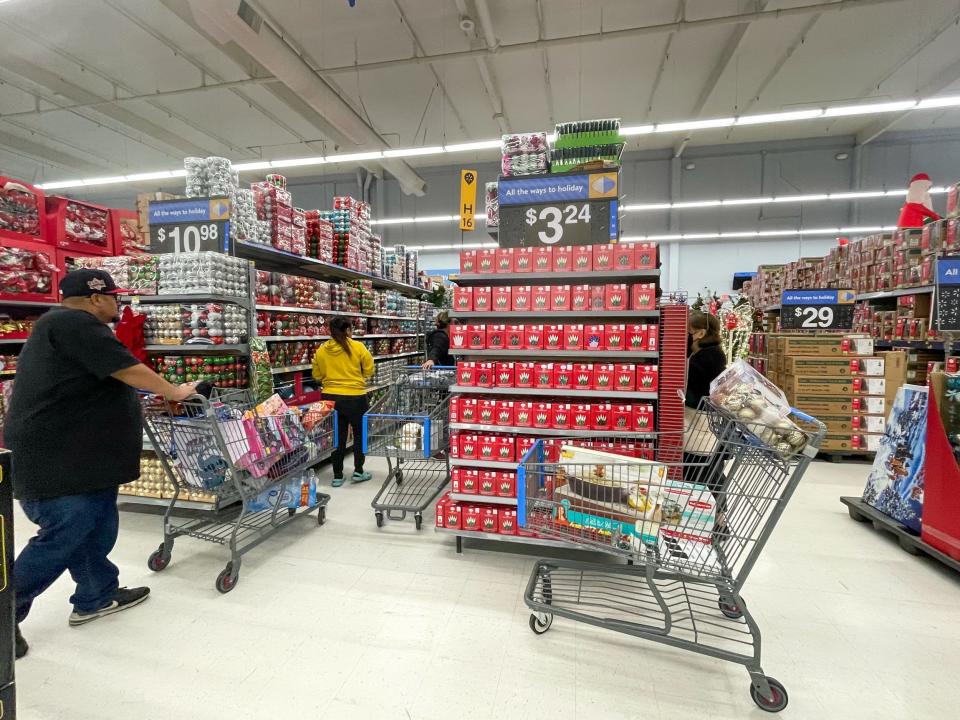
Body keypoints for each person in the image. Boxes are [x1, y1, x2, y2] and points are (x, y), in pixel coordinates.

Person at [7, 269, 196, 660]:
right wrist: (173, 389)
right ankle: (4, 614)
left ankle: (96, 596)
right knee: (65, 531)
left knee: (95, 526)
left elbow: (91, 387)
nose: (117, 303)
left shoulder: (64, 327)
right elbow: (128, 370)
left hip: (82, 458)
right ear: (95, 299)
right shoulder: (72, 322)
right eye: (113, 297)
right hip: (59, 461)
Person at [312, 316, 375, 487]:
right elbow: (369, 370)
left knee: (337, 437)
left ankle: (338, 475)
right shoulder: (358, 347)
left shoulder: (321, 350)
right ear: (348, 330)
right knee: (360, 434)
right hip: (356, 397)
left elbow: (317, 376)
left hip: (331, 398)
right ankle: (358, 471)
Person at [683, 312, 729, 517]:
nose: (684, 335)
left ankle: (718, 520)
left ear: (700, 333)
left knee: (706, 473)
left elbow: (691, 379)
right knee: (703, 472)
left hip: (702, 424)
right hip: (697, 423)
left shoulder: (711, 356)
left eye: (687, 331)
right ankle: (713, 519)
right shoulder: (700, 352)